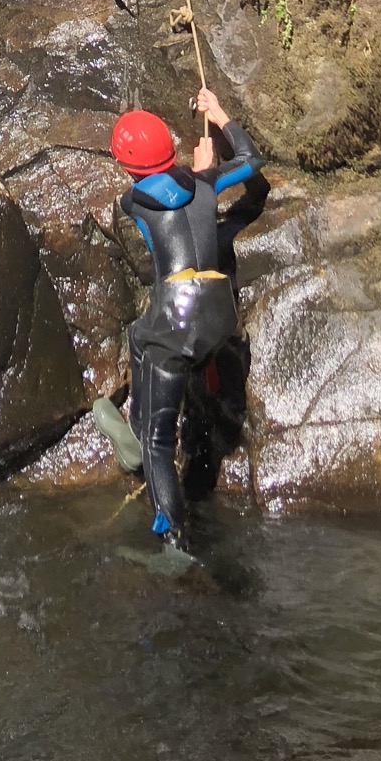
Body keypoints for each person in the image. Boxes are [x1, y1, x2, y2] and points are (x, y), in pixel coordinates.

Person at [91, 88, 269, 553]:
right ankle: (138, 431)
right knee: (139, 334)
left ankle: (172, 538)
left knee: (159, 442)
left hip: (179, 317)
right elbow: (252, 160)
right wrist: (217, 119)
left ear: (127, 166)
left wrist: (198, 170)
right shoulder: (206, 181)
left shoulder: (133, 200)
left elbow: (161, 193)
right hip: (220, 313)